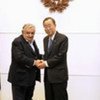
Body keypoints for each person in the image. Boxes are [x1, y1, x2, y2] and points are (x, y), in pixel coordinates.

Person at [37, 17, 69, 100]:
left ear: (55, 25)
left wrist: (45, 63)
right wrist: (41, 60)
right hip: (48, 77)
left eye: (49, 25)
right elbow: (48, 55)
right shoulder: (45, 39)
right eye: (45, 26)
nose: (47, 28)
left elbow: (60, 56)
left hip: (59, 77)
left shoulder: (63, 38)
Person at [8, 23, 42, 100]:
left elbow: (35, 55)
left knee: (29, 98)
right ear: (22, 32)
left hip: (30, 79)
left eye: (32, 33)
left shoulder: (32, 41)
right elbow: (19, 57)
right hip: (20, 79)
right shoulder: (17, 41)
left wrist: (46, 58)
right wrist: (35, 62)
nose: (30, 35)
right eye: (28, 33)